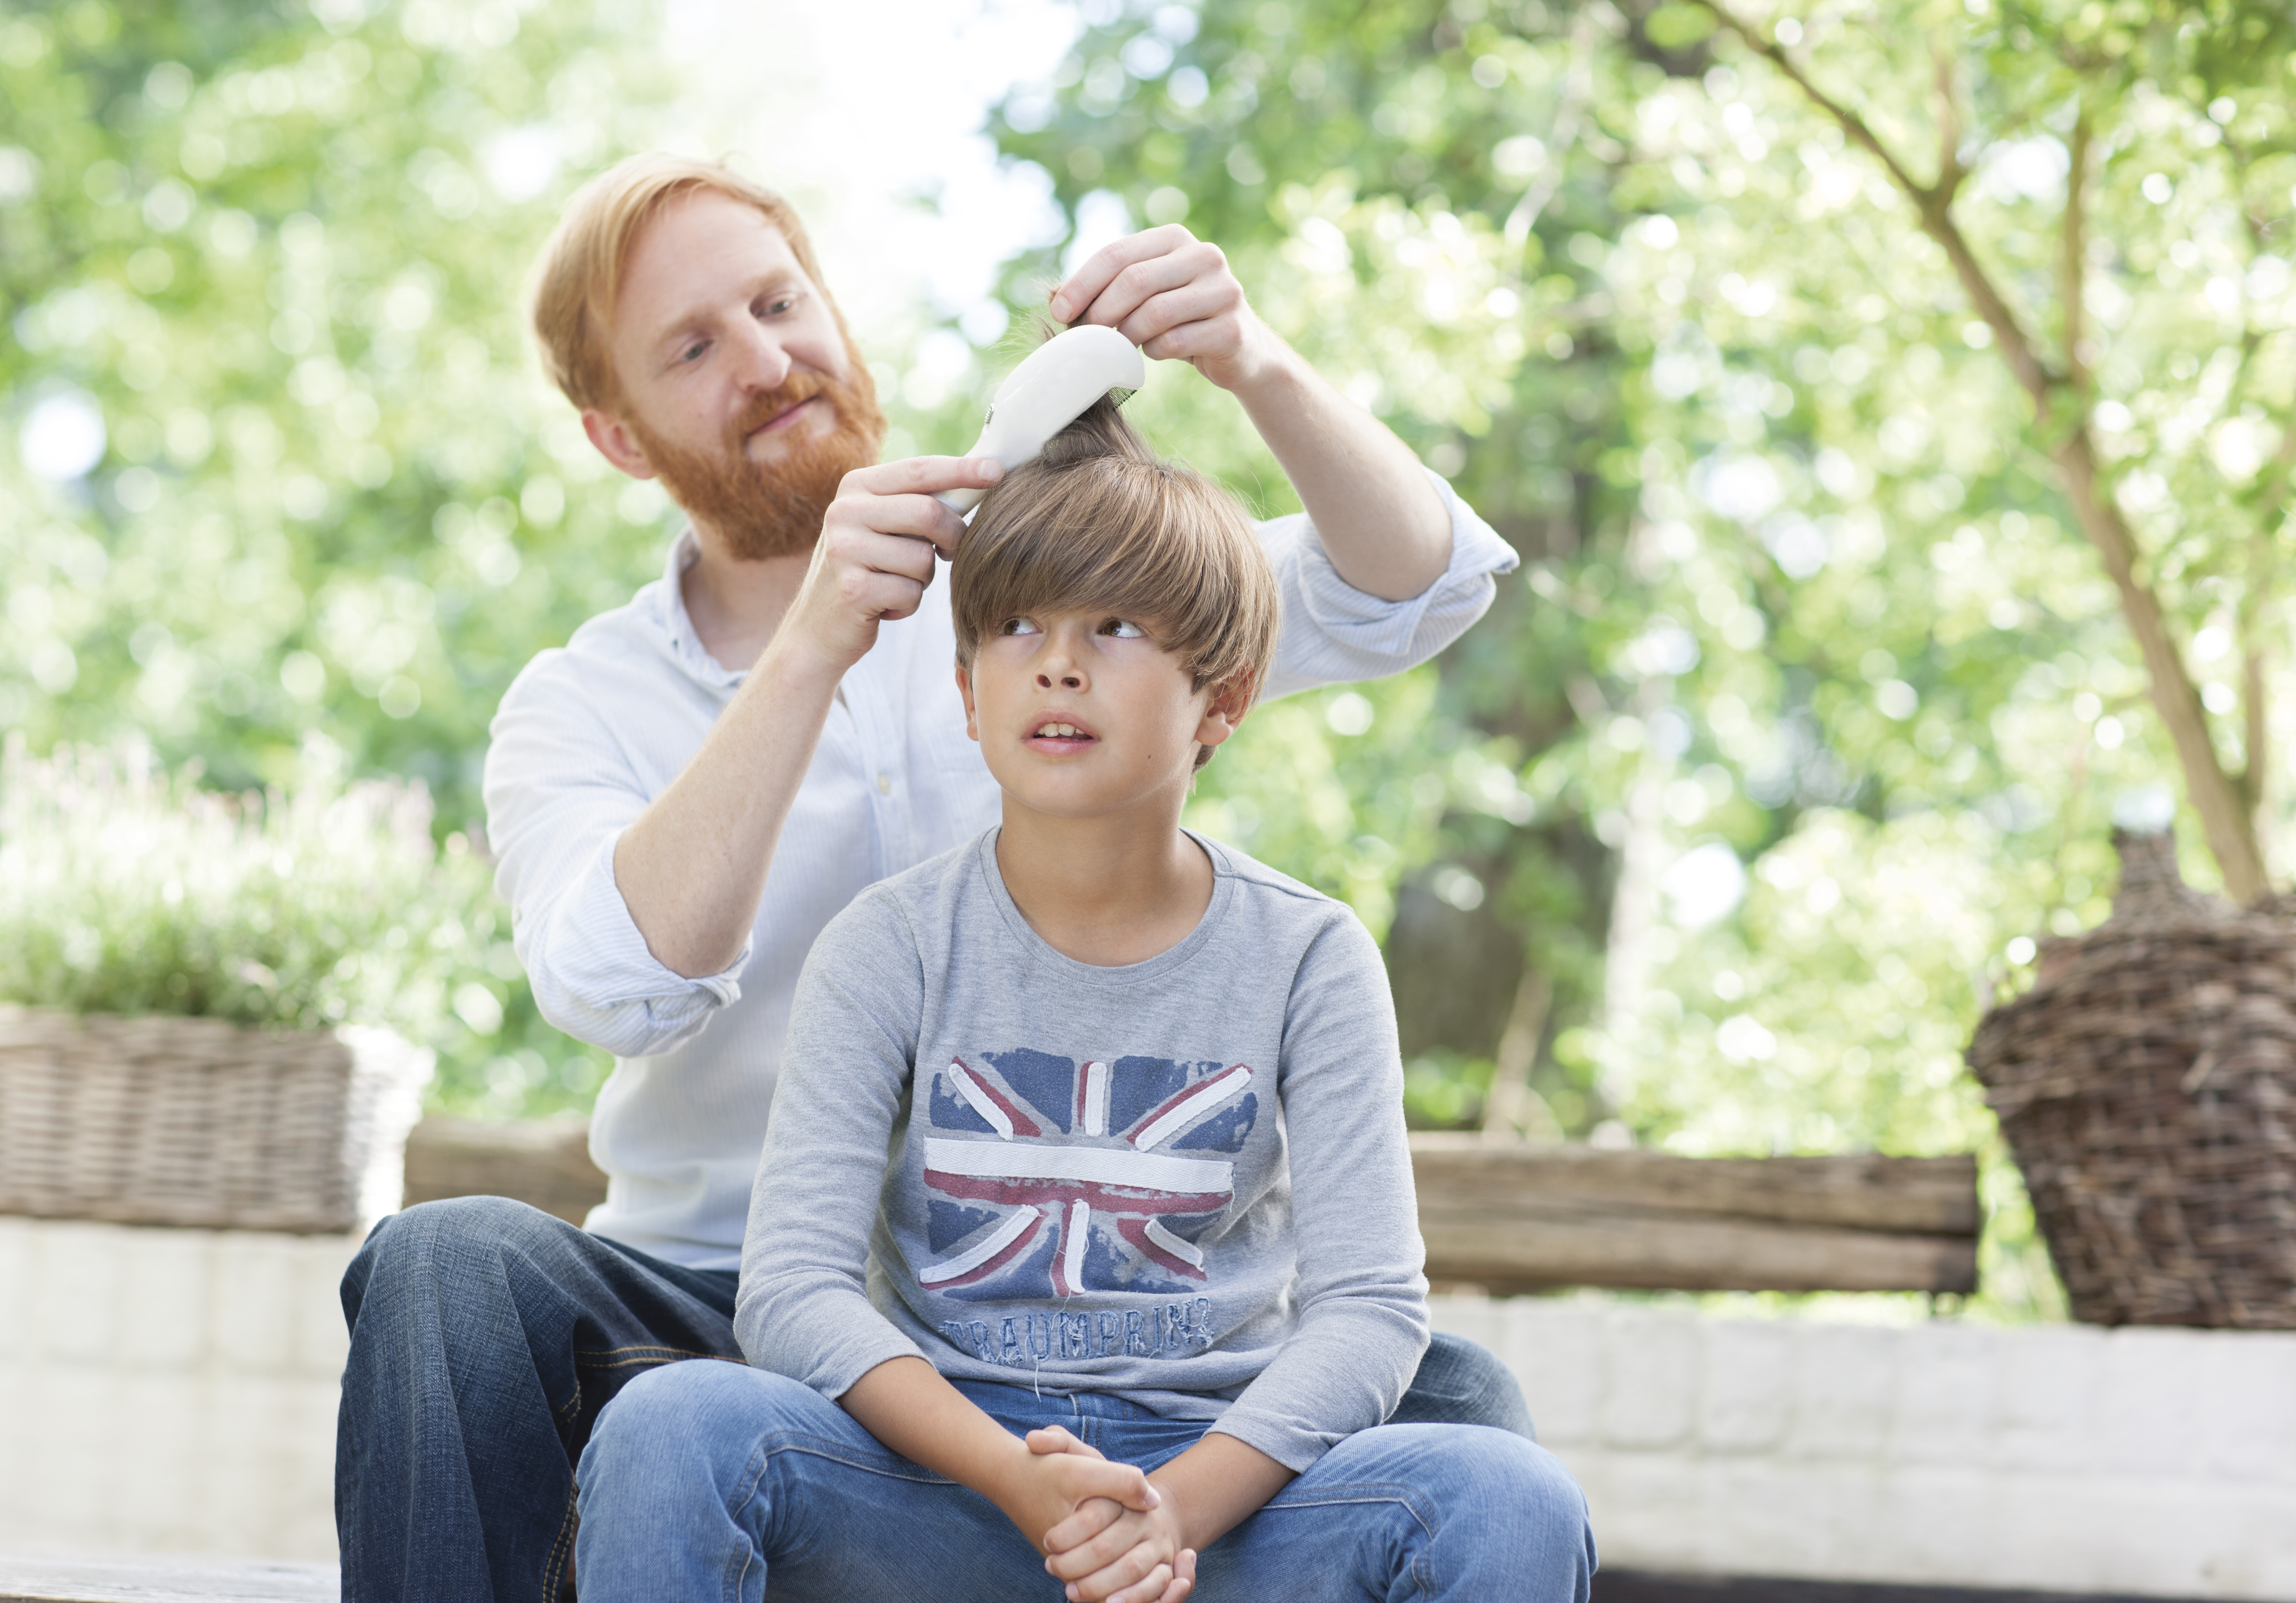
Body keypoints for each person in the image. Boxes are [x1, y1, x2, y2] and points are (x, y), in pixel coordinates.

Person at [336, 152, 1528, 1603]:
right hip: (727, 1299)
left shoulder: (1049, 599)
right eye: (693, 348)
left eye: (779, 304)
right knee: (443, 1268)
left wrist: (1250, 358)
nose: (768, 360)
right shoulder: (579, 702)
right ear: (620, 437)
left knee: (1454, 1403)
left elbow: (1421, 590)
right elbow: (614, 985)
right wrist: (816, 642)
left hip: (1103, 1330)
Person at [571, 397, 1595, 1603]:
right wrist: (1018, 1480)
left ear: (1223, 700)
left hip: (1218, 1507)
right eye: (1014, 628)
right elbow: (793, 1297)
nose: (1056, 661)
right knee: (675, 1423)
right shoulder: (890, 945)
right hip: (942, 1486)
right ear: (965, 693)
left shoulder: (1308, 955)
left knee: (1505, 1497)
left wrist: (1170, 1514)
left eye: (1114, 627)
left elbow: (1369, 1309)